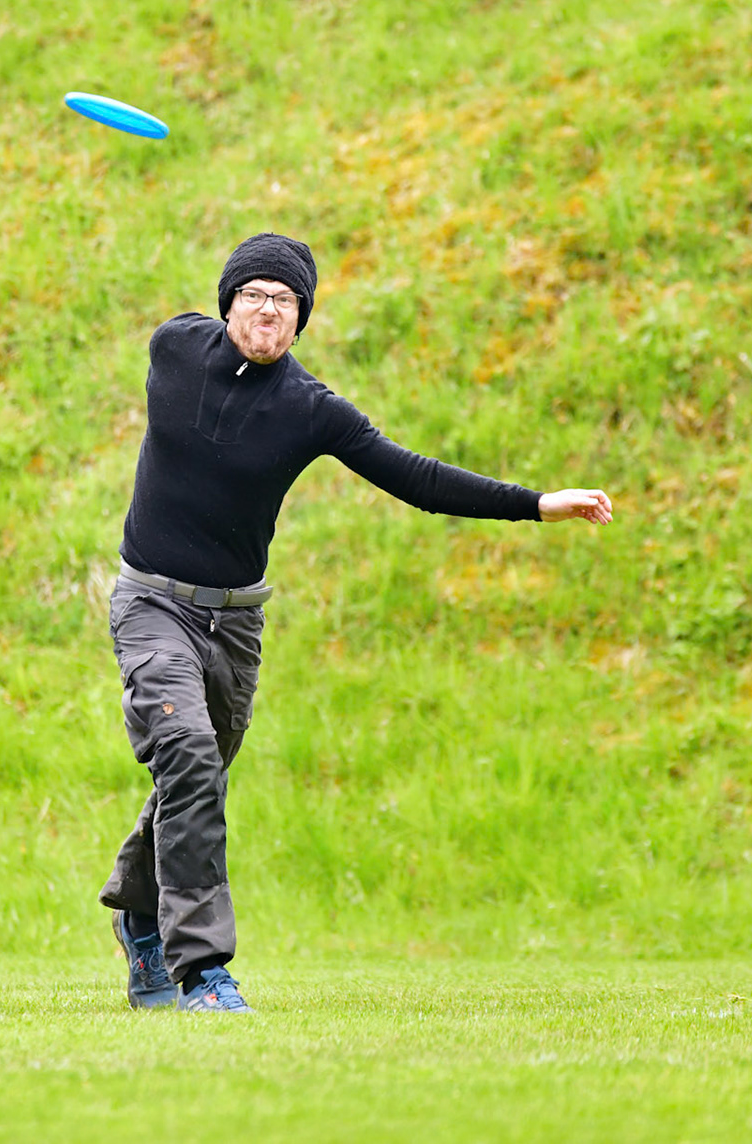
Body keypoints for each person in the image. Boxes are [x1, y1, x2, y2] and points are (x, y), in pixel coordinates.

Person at [101, 232, 613, 1013]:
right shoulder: (174, 348)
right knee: (189, 754)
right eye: (253, 295)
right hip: (151, 604)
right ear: (227, 303)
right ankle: (201, 971)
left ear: (301, 318)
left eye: (285, 301)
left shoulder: (309, 409)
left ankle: (140, 916)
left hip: (234, 624)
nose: (267, 311)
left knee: (196, 774)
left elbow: (420, 480)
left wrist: (537, 504)